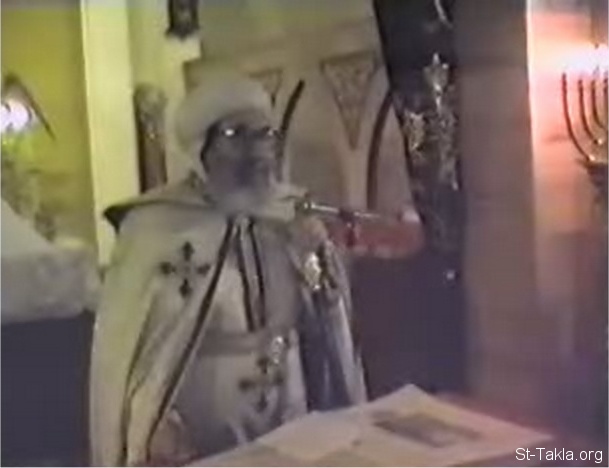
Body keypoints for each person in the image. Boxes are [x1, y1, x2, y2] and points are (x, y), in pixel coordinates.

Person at [89, 71, 367, 466]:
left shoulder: (292, 213)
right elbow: (141, 353)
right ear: (202, 146)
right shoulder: (156, 227)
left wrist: (313, 259)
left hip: (291, 405)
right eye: (237, 135)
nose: (256, 151)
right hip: (205, 418)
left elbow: (327, 321)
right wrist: (156, 422)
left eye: (265, 135)